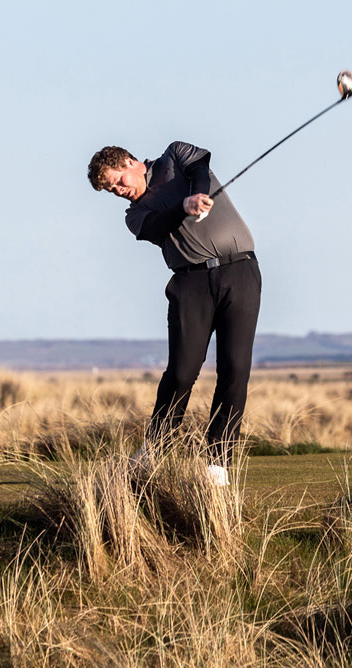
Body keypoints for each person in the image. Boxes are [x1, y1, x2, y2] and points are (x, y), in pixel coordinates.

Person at [87, 142, 260, 486]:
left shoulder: (176, 155)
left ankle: (218, 464)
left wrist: (198, 195)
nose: (118, 192)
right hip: (190, 283)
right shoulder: (134, 216)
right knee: (181, 373)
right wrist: (186, 205)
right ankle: (154, 451)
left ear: (130, 162)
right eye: (111, 190)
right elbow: (157, 225)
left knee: (235, 368)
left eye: (117, 181)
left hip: (239, 270)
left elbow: (199, 168)